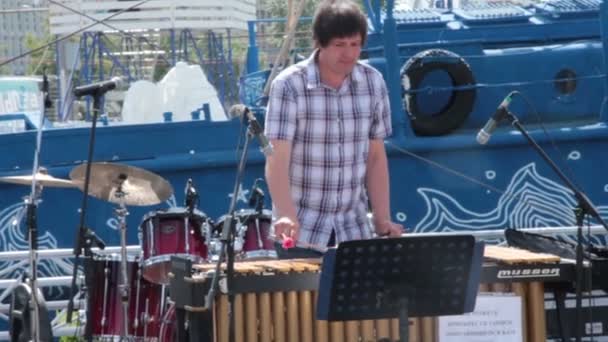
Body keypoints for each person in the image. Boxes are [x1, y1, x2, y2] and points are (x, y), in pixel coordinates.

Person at [264, 0, 403, 259]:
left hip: (354, 232)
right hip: (301, 232)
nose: (349, 54)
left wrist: (383, 219)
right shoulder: (289, 85)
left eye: (355, 45)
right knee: (307, 301)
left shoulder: (374, 82)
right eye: (340, 45)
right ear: (320, 43)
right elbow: (276, 158)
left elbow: (375, 158)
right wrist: (285, 213)